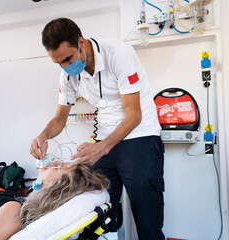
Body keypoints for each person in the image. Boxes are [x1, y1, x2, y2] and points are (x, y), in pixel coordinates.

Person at [30, 18, 165, 240]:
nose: (65, 67)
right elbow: (59, 118)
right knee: (93, 215)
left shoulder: (119, 54)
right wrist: (42, 135)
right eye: (58, 63)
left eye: (67, 59)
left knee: (148, 220)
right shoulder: (68, 74)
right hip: (104, 140)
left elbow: (134, 116)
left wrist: (101, 148)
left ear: (81, 42)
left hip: (140, 136)